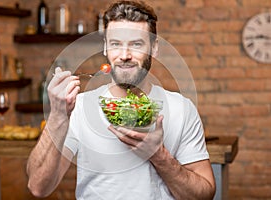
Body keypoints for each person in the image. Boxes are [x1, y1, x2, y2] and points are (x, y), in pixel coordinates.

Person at [27, 1, 216, 199]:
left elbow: (203, 195)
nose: (125, 55)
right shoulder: (80, 107)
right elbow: (38, 187)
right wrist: (57, 115)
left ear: (154, 48)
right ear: (106, 48)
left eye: (136, 44)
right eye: (116, 44)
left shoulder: (181, 109)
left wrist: (159, 156)